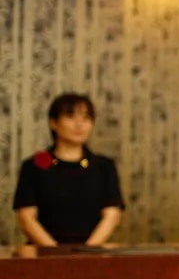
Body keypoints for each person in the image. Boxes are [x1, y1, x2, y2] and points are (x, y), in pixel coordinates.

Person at [12, 93, 124, 247]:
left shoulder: (103, 166)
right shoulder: (35, 165)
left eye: (86, 118)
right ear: (53, 123)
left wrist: (86, 253)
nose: (79, 124)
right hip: (44, 255)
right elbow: (26, 218)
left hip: (92, 254)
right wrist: (57, 254)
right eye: (70, 116)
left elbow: (112, 214)